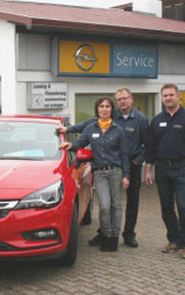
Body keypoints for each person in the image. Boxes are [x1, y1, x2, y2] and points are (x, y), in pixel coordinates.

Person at [57, 88, 148, 248]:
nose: (122, 102)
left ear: (131, 99)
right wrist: (69, 129)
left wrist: (138, 162)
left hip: (131, 163)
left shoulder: (141, 119)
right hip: (107, 164)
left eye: (125, 98)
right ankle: (104, 234)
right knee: (107, 204)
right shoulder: (114, 116)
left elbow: (148, 143)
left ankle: (128, 235)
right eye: (119, 99)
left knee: (130, 201)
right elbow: (89, 125)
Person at [144, 83, 185, 260]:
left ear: (178, 96)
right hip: (162, 169)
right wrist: (148, 171)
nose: (168, 98)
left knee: (183, 206)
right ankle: (174, 239)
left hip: (182, 168)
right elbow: (150, 148)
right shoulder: (157, 120)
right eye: (165, 96)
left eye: (171, 95)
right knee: (166, 207)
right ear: (162, 98)